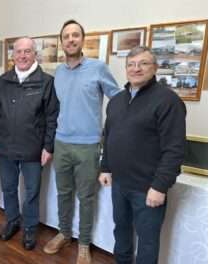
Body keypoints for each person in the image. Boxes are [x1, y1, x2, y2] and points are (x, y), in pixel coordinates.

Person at [99, 46, 186, 264]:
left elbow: (174, 149)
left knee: (147, 241)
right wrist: (105, 167)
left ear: (155, 68)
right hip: (119, 184)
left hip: (148, 188)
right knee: (121, 232)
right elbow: (108, 135)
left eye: (143, 63)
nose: (136, 69)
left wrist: (160, 186)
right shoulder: (117, 100)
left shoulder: (168, 101)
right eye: (131, 64)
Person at [43, 19, 120, 264]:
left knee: (86, 197)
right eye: (66, 36)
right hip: (62, 143)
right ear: (62, 41)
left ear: (82, 40)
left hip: (88, 146)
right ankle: (64, 233)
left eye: (75, 35)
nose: (71, 40)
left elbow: (118, 103)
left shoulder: (98, 68)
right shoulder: (59, 73)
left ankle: (84, 243)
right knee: (63, 193)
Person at [0, 37, 59, 250]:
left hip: (33, 149)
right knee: (8, 188)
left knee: (31, 192)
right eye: (18, 51)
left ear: (34, 54)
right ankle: (12, 221)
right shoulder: (3, 80)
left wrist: (48, 146)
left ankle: (29, 228)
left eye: (27, 51)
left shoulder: (46, 81)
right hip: (6, 147)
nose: (22, 55)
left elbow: (51, 117)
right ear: (13, 55)